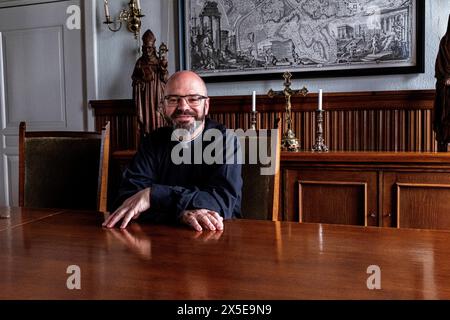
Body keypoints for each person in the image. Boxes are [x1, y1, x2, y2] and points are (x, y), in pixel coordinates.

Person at [103, 71, 242, 231]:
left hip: (218, 238)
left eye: (193, 99)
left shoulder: (225, 141)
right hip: (158, 242)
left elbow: (220, 203)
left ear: (206, 105)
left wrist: (153, 195)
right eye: (174, 99)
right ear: (163, 106)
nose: (183, 107)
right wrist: (180, 214)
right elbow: (128, 199)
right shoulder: (152, 142)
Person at [132, 29, 169, 137]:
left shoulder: (159, 62)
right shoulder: (139, 62)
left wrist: (163, 68)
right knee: (146, 122)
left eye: (149, 48)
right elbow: (134, 79)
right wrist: (140, 80)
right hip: (145, 98)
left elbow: (166, 80)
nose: (147, 51)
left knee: (158, 120)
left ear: (153, 48)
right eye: (145, 48)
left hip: (157, 96)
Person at [434, 14, 450, 151]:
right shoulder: (445, 42)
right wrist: (446, 78)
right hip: (445, 96)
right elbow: (440, 71)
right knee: (444, 130)